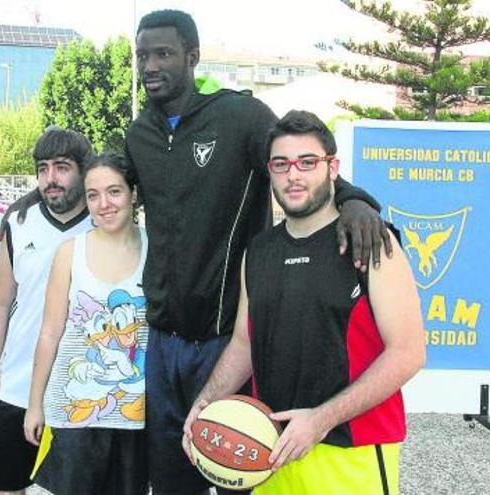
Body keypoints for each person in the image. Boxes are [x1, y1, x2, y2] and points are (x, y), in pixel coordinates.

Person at [127, 10, 392, 495]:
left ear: (192, 56)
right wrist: (37, 200)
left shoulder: (239, 117)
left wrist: (354, 199)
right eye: (141, 55)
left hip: (226, 341)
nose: (150, 66)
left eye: (162, 53)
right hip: (162, 344)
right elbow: (105, 185)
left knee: (236, 473)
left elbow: (295, 157)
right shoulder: (139, 133)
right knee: (169, 478)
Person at [182, 110, 426, 495]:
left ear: (333, 167)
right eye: (281, 164)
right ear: (270, 172)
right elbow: (244, 344)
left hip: (352, 451)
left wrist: (320, 419)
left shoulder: (371, 242)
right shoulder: (258, 252)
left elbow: (408, 353)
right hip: (272, 447)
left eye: (307, 162)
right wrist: (206, 403)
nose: (293, 175)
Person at [0, 127, 94, 495]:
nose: (50, 179)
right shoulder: (19, 222)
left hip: (82, 389)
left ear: (83, 169)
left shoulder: (105, 221)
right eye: (43, 169)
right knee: (4, 487)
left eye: (62, 167)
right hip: (20, 385)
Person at [24, 152, 148, 495]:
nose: (104, 204)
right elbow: (50, 332)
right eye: (93, 195)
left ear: (133, 193)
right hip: (73, 412)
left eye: (114, 192)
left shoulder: (157, 250)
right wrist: (35, 405)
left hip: (134, 414)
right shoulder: (70, 252)